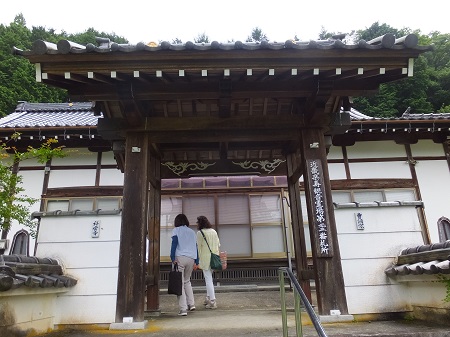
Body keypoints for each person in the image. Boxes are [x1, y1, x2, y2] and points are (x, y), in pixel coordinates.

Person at [170, 213, 199, 316]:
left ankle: (183, 309)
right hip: (191, 258)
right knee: (187, 281)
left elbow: (174, 245)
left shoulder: (176, 230)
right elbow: (196, 247)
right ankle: (191, 304)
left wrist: (172, 258)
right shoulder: (192, 232)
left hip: (180, 258)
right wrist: (197, 261)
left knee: (179, 283)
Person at [196, 215, 220, 309]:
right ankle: (208, 298)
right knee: (209, 279)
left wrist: (197, 260)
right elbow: (218, 244)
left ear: (200, 223)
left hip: (205, 259)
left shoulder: (200, 233)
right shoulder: (214, 231)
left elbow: (198, 248)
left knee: (208, 280)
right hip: (214, 258)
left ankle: (213, 301)